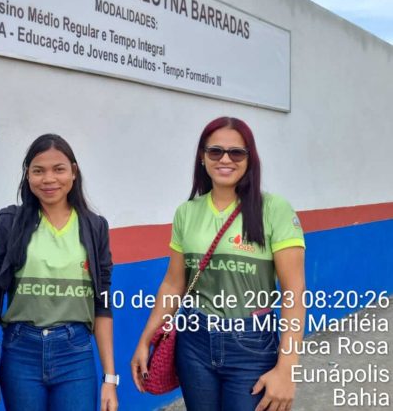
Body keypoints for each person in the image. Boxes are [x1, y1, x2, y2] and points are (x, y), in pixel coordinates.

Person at [131, 116, 306, 411]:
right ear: (202, 157)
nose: (226, 159)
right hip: (194, 342)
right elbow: (174, 283)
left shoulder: (274, 210)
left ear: (250, 159)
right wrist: (146, 339)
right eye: (215, 152)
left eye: (236, 152)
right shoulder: (187, 212)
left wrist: (287, 369)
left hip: (252, 344)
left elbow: (294, 293)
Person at [0, 134, 118, 411]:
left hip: (75, 352)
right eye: (38, 171)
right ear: (27, 176)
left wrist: (110, 378)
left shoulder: (94, 227)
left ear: (74, 172)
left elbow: (102, 304)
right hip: (20, 350)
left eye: (59, 169)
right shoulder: (10, 223)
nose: (49, 179)